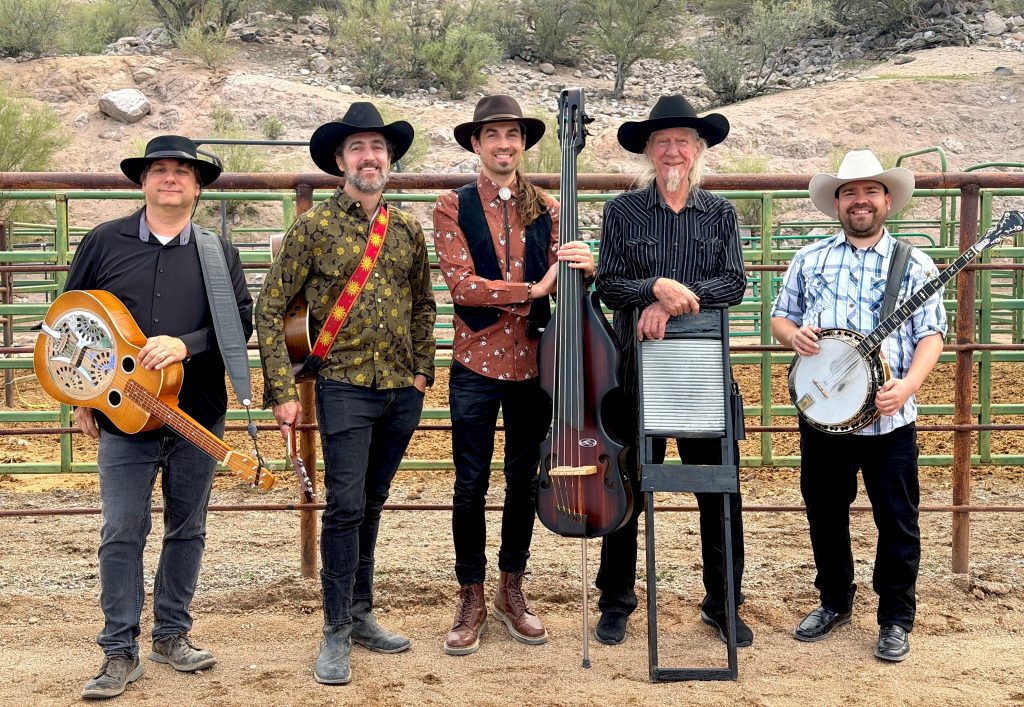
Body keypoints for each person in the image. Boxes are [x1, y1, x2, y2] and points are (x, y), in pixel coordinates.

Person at [64, 136, 252, 700]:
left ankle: (171, 634)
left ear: (197, 186)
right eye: (159, 170)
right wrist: (79, 398)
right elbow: (70, 322)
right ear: (143, 182)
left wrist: (186, 345)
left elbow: (239, 327)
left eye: (182, 172)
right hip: (121, 415)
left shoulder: (219, 253)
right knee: (122, 529)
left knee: (187, 528)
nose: (170, 179)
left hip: (196, 415)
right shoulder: (103, 242)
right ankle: (118, 651)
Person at [256, 102, 436, 685]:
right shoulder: (312, 228)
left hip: (398, 390)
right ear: (340, 162)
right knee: (345, 507)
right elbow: (270, 307)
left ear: (389, 160)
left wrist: (421, 374)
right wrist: (282, 391)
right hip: (343, 387)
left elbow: (424, 306)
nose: (370, 157)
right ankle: (335, 628)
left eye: (378, 148)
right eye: (358, 148)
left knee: (373, 503)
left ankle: (360, 613)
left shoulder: (407, 228)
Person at [431, 95, 594, 656]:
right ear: (476, 144)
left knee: (524, 480)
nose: (504, 144)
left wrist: (582, 266)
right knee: (470, 483)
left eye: (513, 135)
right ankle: (471, 594)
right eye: (493, 135)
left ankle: (511, 588)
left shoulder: (549, 206)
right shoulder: (451, 206)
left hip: (532, 364)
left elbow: (563, 269)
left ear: (524, 144)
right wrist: (532, 290)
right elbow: (461, 285)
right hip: (474, 365)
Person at [771, 149, 947, 662]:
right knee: (825, 514)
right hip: (825, 416)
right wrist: (794, 335)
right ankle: (834, 600)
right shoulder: (810, 258)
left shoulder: (914, 262)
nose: (861, 200)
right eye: (850, 192)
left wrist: (909, 386)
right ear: (838, 202)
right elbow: (782, 318)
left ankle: (895, 617)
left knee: (897, 519)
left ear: (887, 199)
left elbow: (930, 334)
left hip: (890, 418)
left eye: (870, 190)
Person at [593, 95, 751, 647]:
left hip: (702, 369)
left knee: (718, 488)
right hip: (638, 371)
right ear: (648, 152)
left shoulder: (721, 214)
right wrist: (650, 288)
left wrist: (670, 302)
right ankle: (616, 601)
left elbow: (733, 284)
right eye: (663, 142)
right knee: (629, 485)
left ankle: (723, 602)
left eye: (683, 140)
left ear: (699, 149)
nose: (673, 150)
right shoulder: (622, 213)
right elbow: (608, 283)